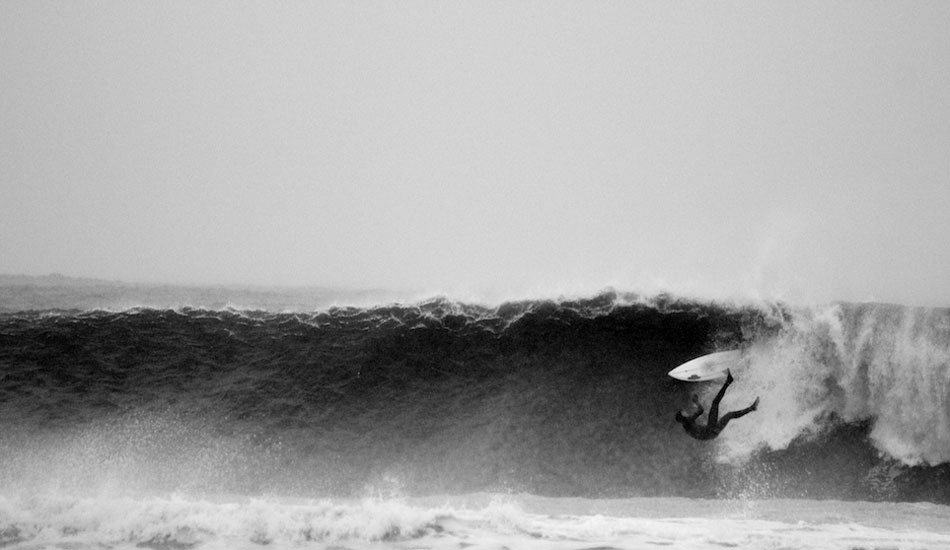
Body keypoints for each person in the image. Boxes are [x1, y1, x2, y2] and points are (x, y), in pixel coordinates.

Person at [675, 369, 759, 440]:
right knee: (716, 403)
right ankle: (728, 382)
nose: (685, 411)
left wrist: (696, 403)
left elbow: (700, 411)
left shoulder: (687, 422)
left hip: (712, 432)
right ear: (683, 416)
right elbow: (700, 411)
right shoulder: (688, 422)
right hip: (711, 430)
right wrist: (696, 402)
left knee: (729, 414)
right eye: (683, 412)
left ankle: (752, 408)